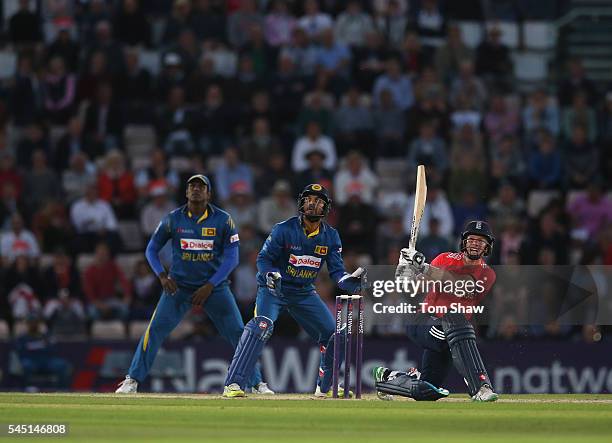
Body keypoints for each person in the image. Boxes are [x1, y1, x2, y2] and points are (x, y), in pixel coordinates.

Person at [115, 174, 272, 395]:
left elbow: (232, 259)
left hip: (214, 289)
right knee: (155, 330)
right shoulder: (172, 219)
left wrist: (210, 285)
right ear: (186, 192)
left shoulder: (224, 220)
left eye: (201, 186)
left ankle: (256, 383)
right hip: (179, 287)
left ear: (209, 193)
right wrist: (161, 276)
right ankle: (132, 380)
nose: (196, 189)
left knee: (239, 334)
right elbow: (151, 249)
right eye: (192, 186)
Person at [222, 184, 365, 398]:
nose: (312, 204)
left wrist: (348, 280)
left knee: (334, 335)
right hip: (274, 290)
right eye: (309, 199)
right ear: (301, 203)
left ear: (326, 208)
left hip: (303, 292)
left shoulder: (331, 236)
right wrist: (271, 274)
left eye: (318, 201)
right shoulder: (284, 229)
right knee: (261, 326)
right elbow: (263, 259)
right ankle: (233, 384)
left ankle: (325, 387)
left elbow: (337, 271)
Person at [374, 221, 498, 402]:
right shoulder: (444, 258)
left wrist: (423, 266)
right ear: (464, 242)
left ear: (487, 246)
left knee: (427, 389)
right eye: (471, 239)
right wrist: (404, 271)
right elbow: (415, 289)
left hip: (453, 333)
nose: (475, 243)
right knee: (456, 320)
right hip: (423, 320)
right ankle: (481, 387)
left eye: (480, 241)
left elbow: (460, 284)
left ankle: (388, 378)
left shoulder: (487, 273)